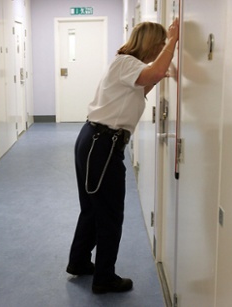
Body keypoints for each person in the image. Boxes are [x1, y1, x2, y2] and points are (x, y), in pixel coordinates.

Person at [66, 18, 180, 294]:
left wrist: (166, 68)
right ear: (151, 44)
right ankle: (104, 277)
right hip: (103, 144)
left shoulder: (129, 66)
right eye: (161, 44)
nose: (162, 48)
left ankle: (79, 261)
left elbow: (145, 85)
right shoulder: (127, 63)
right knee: (110, 214)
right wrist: (175, 41)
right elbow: (152, 75)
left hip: (94, 141)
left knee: (93, 208)